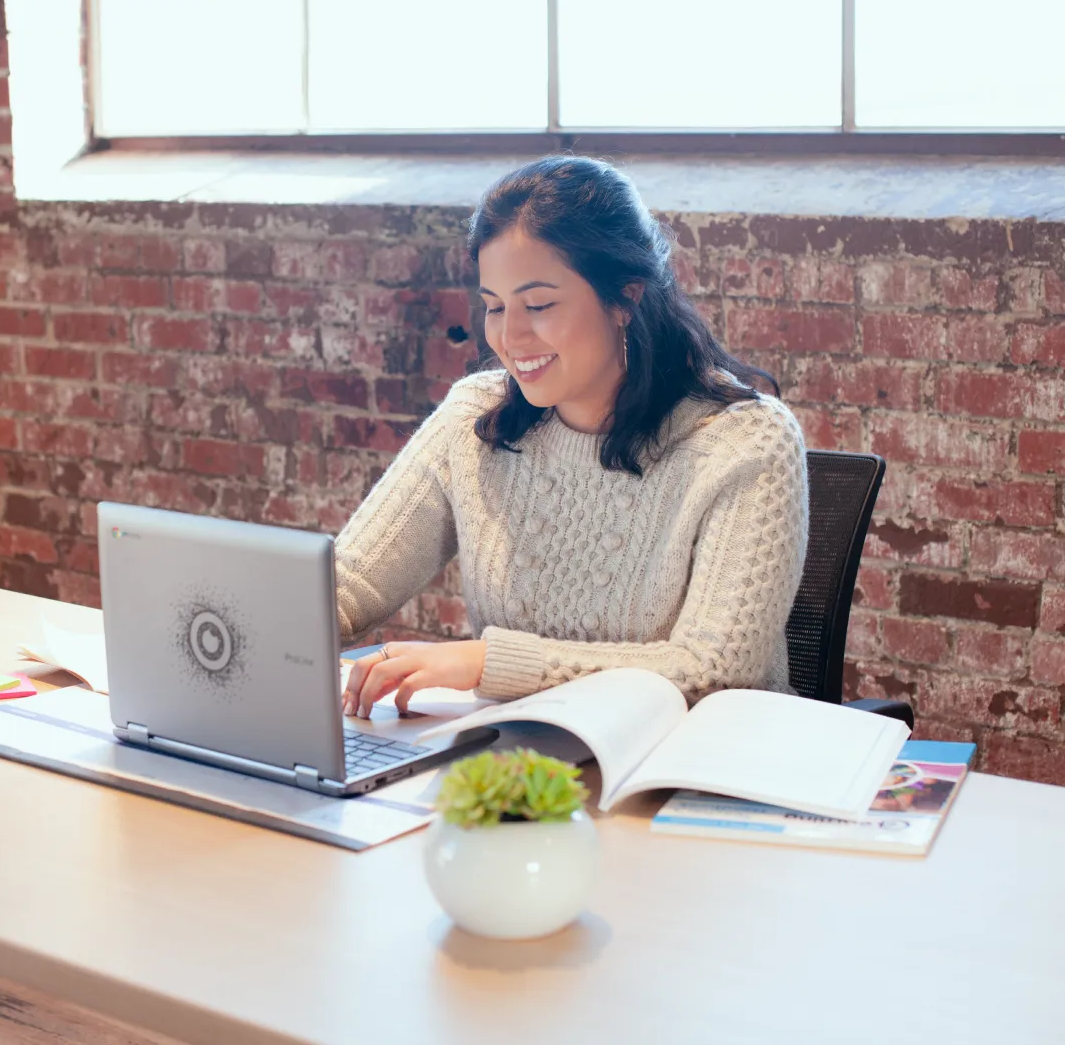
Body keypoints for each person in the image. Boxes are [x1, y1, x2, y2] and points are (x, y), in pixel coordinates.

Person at [340, 155, 808, 719]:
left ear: (624, 299)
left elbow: (717, 669)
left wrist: (492, 663)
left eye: (538, 305)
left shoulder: (745, 441)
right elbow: (349, 586)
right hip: (520, 766)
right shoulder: (474, 416)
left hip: (691, 772)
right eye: (494, 306)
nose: (509, 337)